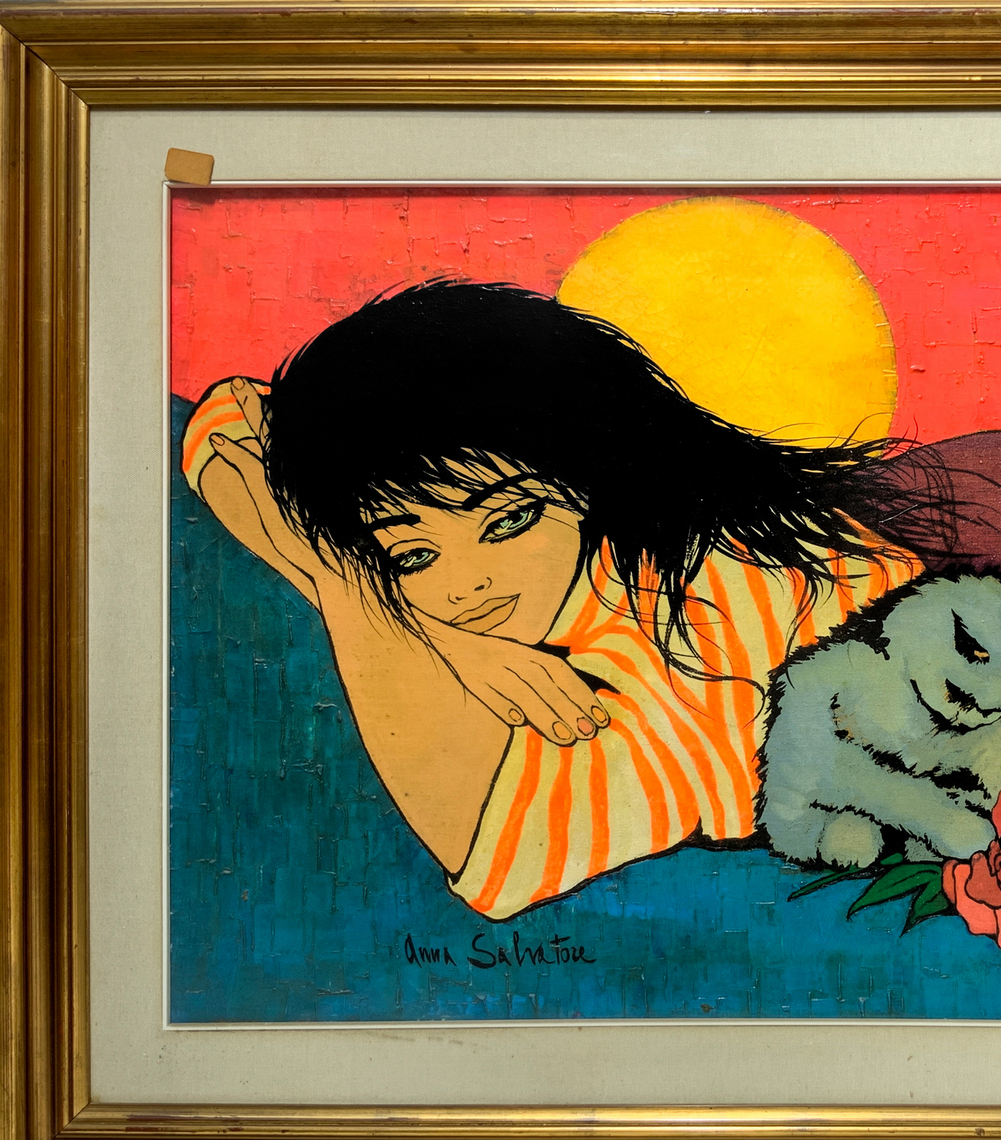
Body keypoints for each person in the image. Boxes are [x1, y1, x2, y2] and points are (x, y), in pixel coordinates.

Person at [181, 280, 924, 920]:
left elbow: (499, 850)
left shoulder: (688, 599)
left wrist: (351, 584)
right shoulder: (566, 562)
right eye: (412, 556)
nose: (466, 584)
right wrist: (443, 639)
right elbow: (227, 422)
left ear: (592, 471)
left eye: (509, 521)